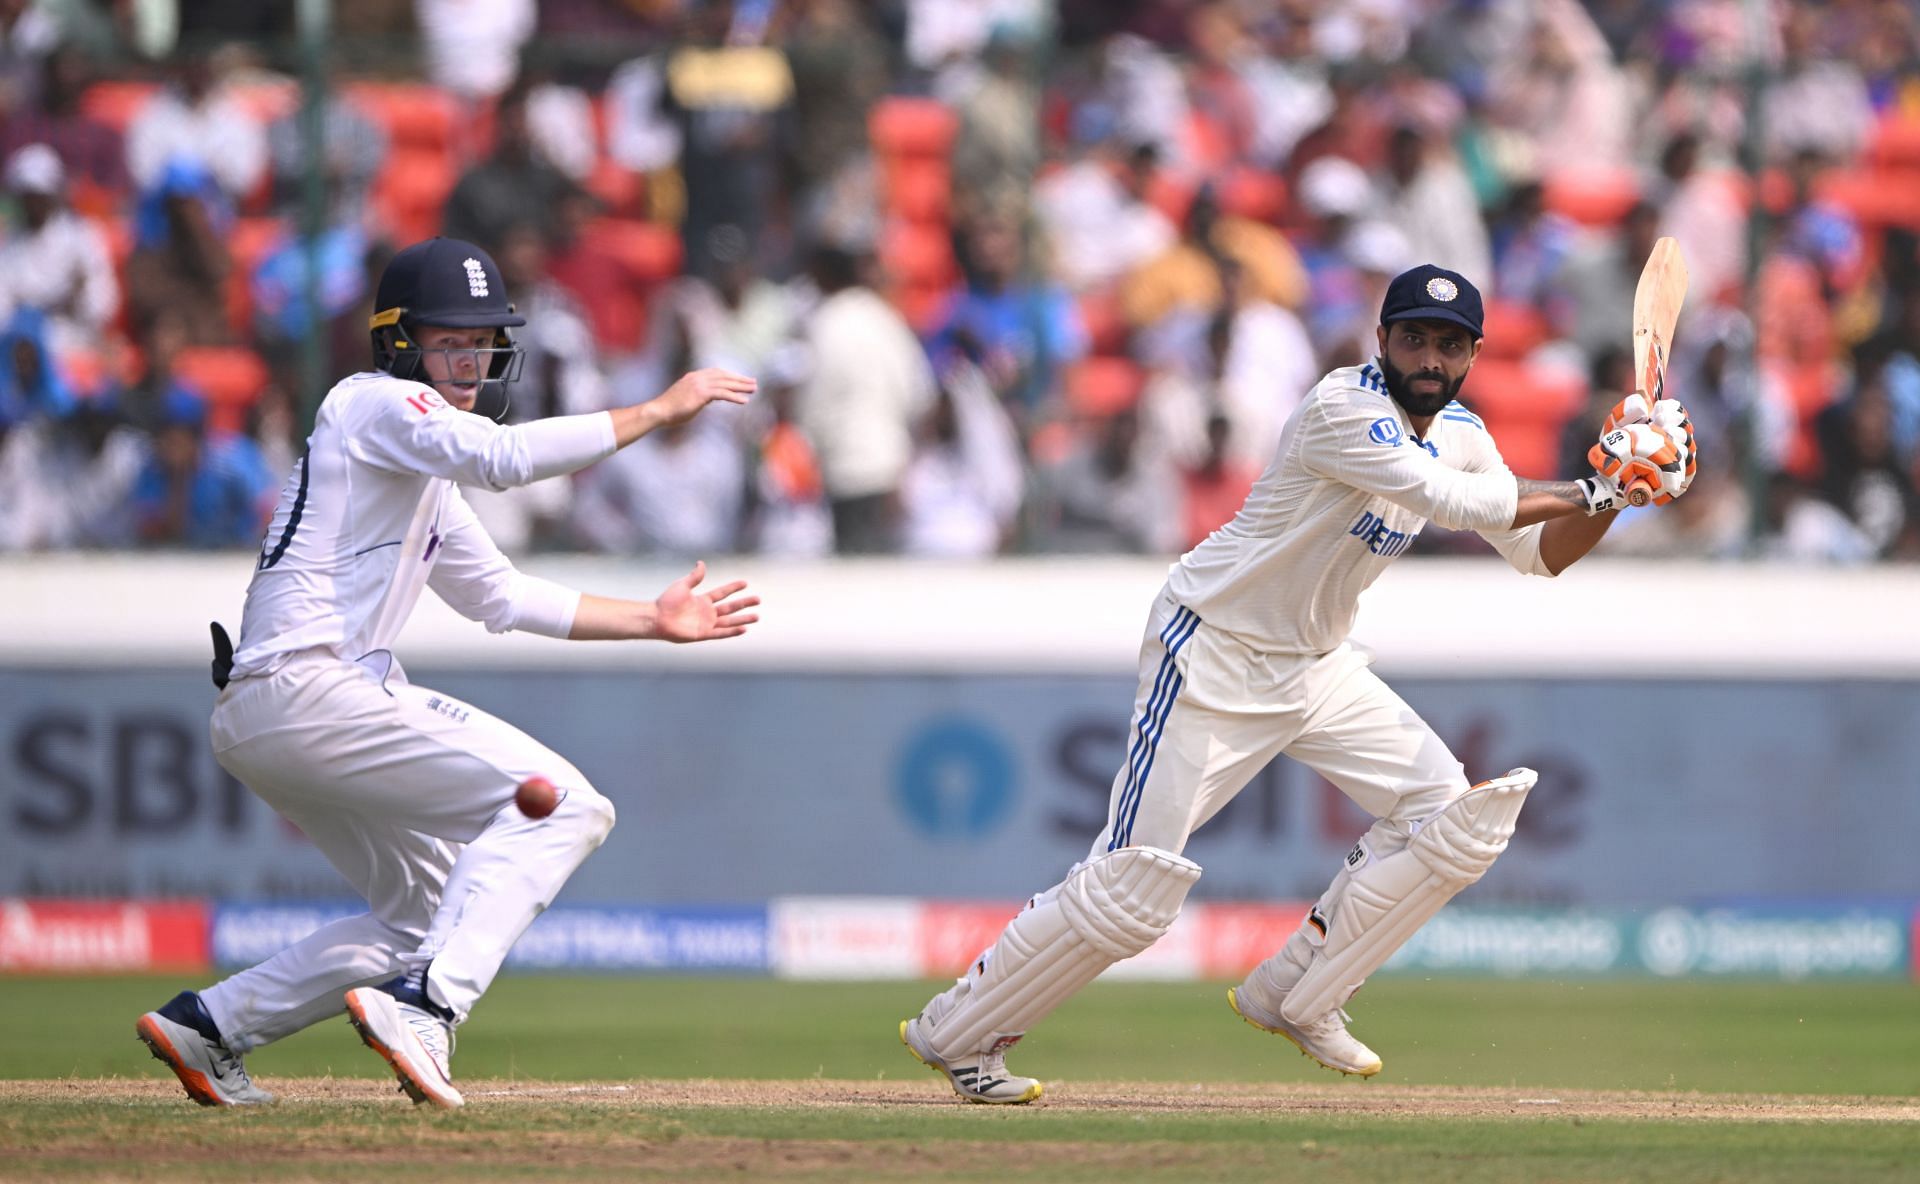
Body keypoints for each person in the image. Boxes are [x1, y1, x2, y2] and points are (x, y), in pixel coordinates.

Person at [898, 264, 1697, 1103]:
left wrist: (1619, 496)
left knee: (1450, 816)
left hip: (1316, 664)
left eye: (1450, 344)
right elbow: (1452, 504)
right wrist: (1599, 478)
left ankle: (1298, 992)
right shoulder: (1341, 409)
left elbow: (1540, 555)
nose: (1430, 356)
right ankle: (958, 1034)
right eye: (1414, 337)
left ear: (1471, 357)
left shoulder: (1461, 429)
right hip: (1211, 651)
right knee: (1134, 884)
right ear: (1381, 340)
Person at [134, 237, 759, 1109]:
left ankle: (212, 1025)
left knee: (424, 919)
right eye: (448, 341)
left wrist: (651, 622)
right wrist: (657, 409)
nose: (469, 360)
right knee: (569, 805)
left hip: (280, 706)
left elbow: (499, 597)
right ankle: (429, 1007)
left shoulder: (422, 470)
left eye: (481, 342)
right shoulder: (370, 405)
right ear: (399, 343)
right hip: (309, 687)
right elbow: (501, 460)